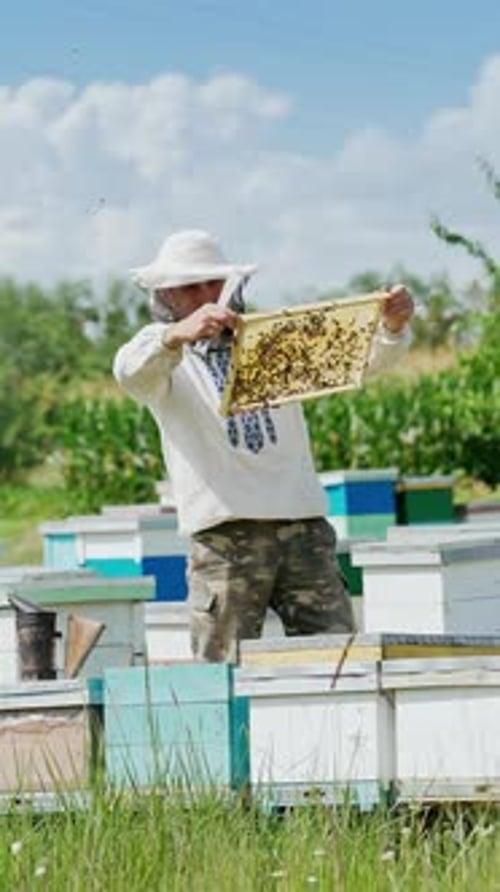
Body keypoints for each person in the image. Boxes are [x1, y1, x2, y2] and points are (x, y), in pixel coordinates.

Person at [113, 229, 414, 662]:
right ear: (166, 297)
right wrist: (174, 335)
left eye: (211, 284)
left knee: (340, 663)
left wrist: (392, 327)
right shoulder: (163, 361)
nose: (203, 295)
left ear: (232, 286)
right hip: (223, 537)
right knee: (222, 675)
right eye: (188, 288)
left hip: (303, 528)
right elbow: (129, 371)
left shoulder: (272, 341)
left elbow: (358, 364)